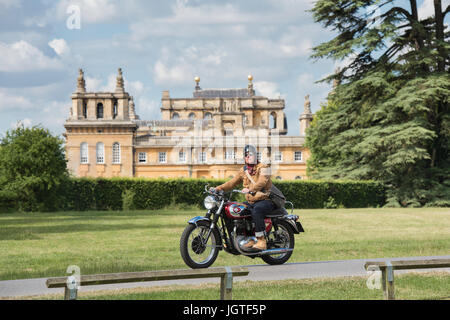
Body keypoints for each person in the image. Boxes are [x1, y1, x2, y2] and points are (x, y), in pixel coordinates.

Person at [213, 145, 274, 250]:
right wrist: (217, 188)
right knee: (239, 212)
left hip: (266, 200)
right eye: (246, 155)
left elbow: (262, 182)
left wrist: (250, 189)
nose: (248, 157)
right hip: (251, 201)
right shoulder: (243, 170)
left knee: (257, 210)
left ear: (255, 156)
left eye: (251, 154)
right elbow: (232, 183)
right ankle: (248, 239)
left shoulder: (264, 167)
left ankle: (261, 241)